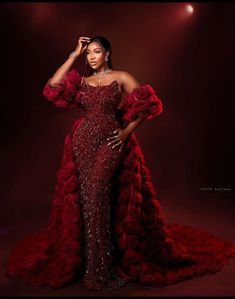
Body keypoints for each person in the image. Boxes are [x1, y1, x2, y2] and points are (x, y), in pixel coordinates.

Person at [5, 35, 235, 292]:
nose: (91, 57)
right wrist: (73, 54)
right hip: (81, 142)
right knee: (89, 197)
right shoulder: (82, 81)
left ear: (107, 53)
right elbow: (53, 86)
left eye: (96, 51)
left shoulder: (122, 77)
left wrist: (126, 133)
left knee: (96, 192)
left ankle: (101, 267)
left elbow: (148, 106)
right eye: (88, 53)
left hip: (111, 141)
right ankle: (96, 264)